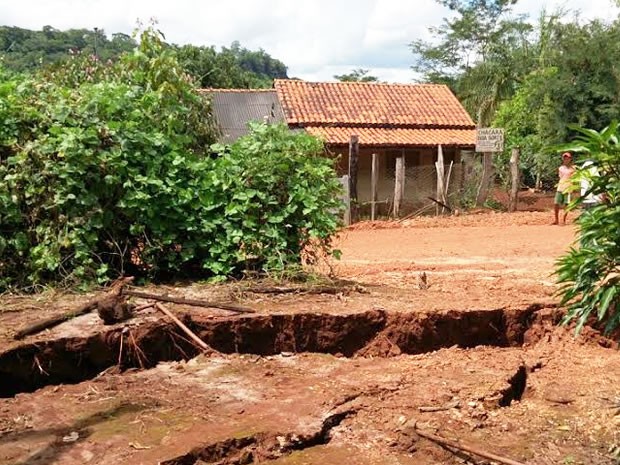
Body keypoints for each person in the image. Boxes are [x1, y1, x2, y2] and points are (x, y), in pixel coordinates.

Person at [553, 152, 576, 225]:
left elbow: (575, 178)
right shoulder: (560, 168)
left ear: (570, 159)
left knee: (567, 205)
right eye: (564, 158)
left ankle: (564, 220)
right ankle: (556, 220)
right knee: (556, 203)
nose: (566, 159)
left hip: (568, 188)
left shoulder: (573, 169)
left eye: (567, 158)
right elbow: (560, 177)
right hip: (560, 187)